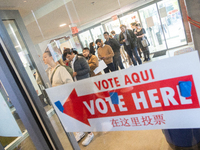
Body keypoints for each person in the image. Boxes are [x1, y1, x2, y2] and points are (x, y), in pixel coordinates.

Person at [63, 48, 94, 146]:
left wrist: (77, 73)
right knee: (80, 109)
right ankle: (84, 130)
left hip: (85, 85)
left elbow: (88, 70)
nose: (68, 58)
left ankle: (92, 128)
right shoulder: (69, 63)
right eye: (66, 58)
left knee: (88, 106)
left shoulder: (80, 59)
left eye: (69, 56)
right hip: (76, 87)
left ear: (72, 53)